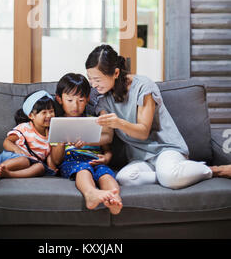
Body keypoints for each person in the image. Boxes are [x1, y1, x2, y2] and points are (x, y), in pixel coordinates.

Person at [85, 44, 213, 190]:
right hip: (141, 157)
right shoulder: (103, 100)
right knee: (124, 178)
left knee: (169, 176)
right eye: (90, 79)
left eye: (98, 79)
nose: (93, 85)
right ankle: (171, 174)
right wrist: (83, 139)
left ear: (115, 73)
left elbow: (143, 131)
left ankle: (213, 170)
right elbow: (107, 136)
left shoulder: (142, 87)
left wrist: (119, 123)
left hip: (165, 149)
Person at [50, 73, 123, 214]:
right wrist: (62, 140)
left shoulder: (95, 120)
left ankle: (114, 198)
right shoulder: (58, 124)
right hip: (72, 161)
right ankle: (90, 193)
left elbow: (106, 148)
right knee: (82, 169)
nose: (75, 106)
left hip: (96, 161)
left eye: (81, 100)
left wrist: (107, 158)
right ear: (59, 99)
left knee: (106, 174)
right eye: (70, 100)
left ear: (88, 99)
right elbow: (56, 160)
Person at [0, 90, 57, 180]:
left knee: (40, 167)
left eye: (51, 111)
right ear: (31, 116)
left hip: (31, 163)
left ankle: (10, 174)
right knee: (24, 161)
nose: (49, 115)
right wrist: (17, 149)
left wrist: (51, 167)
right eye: (44, 112)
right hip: (12, 158)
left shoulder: (51, 133)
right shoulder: (24, 128)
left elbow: (49, 155)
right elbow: (7, 142)